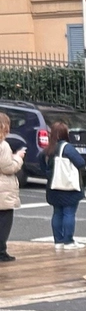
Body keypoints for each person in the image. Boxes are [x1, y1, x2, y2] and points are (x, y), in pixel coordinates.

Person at [41, 121, 86, 251]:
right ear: (65, 133)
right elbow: (80, 162)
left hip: (53, 186)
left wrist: (49, 174)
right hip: (68, 186)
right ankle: (68, 241)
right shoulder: (67, 148)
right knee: (69, 213)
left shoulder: (48, 149)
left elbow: (41, 164)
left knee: (57, 213)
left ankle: (58, 241)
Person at [0, 112, 24, 262]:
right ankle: (1, 251)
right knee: (4, 221)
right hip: (2, 188)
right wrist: (18, 158)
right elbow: (7, 168)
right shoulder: (3, 145)